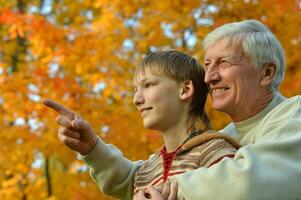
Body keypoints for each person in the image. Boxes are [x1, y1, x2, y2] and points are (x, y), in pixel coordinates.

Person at [43, 51, 240, 198]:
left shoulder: (216, 154)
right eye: (135, 89)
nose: (137, 99)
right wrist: (91, 148)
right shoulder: (147, 172)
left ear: (185, 89)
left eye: (148, 85)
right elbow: (120, 178)